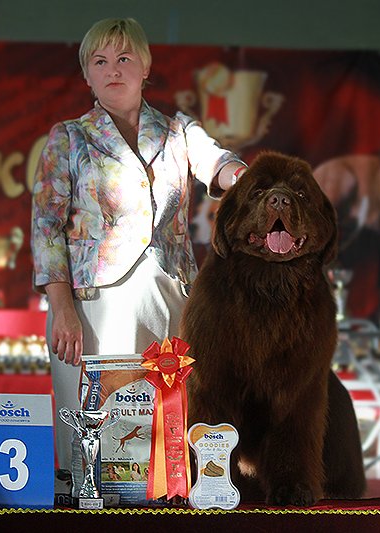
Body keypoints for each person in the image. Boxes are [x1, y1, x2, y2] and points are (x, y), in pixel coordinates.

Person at [30, 18, 247, 484]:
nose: (113, 69)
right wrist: (61, 306)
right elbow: (46, 228)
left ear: (146, 66)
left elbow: (221, 164)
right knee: (97, 439)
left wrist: (249, 178)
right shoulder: (67, 138)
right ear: (86, 74)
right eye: (100, 61)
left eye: (124, 58)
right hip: (91, 308)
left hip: (171, 299)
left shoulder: (178, 132)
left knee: (164, 441)